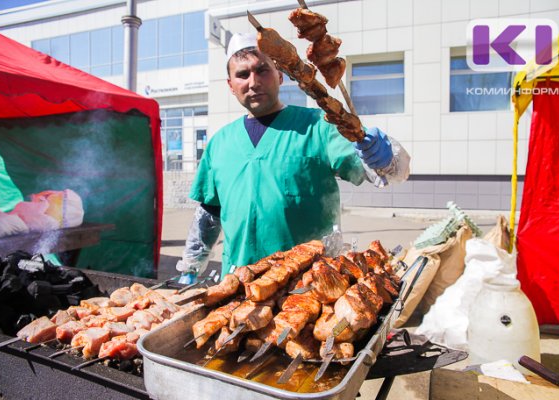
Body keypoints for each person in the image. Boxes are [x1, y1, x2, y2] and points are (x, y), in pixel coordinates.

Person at [176, 33, 410, 283]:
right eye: (242, 75)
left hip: (308, 287)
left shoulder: (319, 127)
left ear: (280, 75)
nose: (253, 82)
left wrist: (385, 158)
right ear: (230, 85)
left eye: (262, 70)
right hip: (238, 284)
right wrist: (191, 267)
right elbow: (209, 214)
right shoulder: (220, 143)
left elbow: (385, 173)